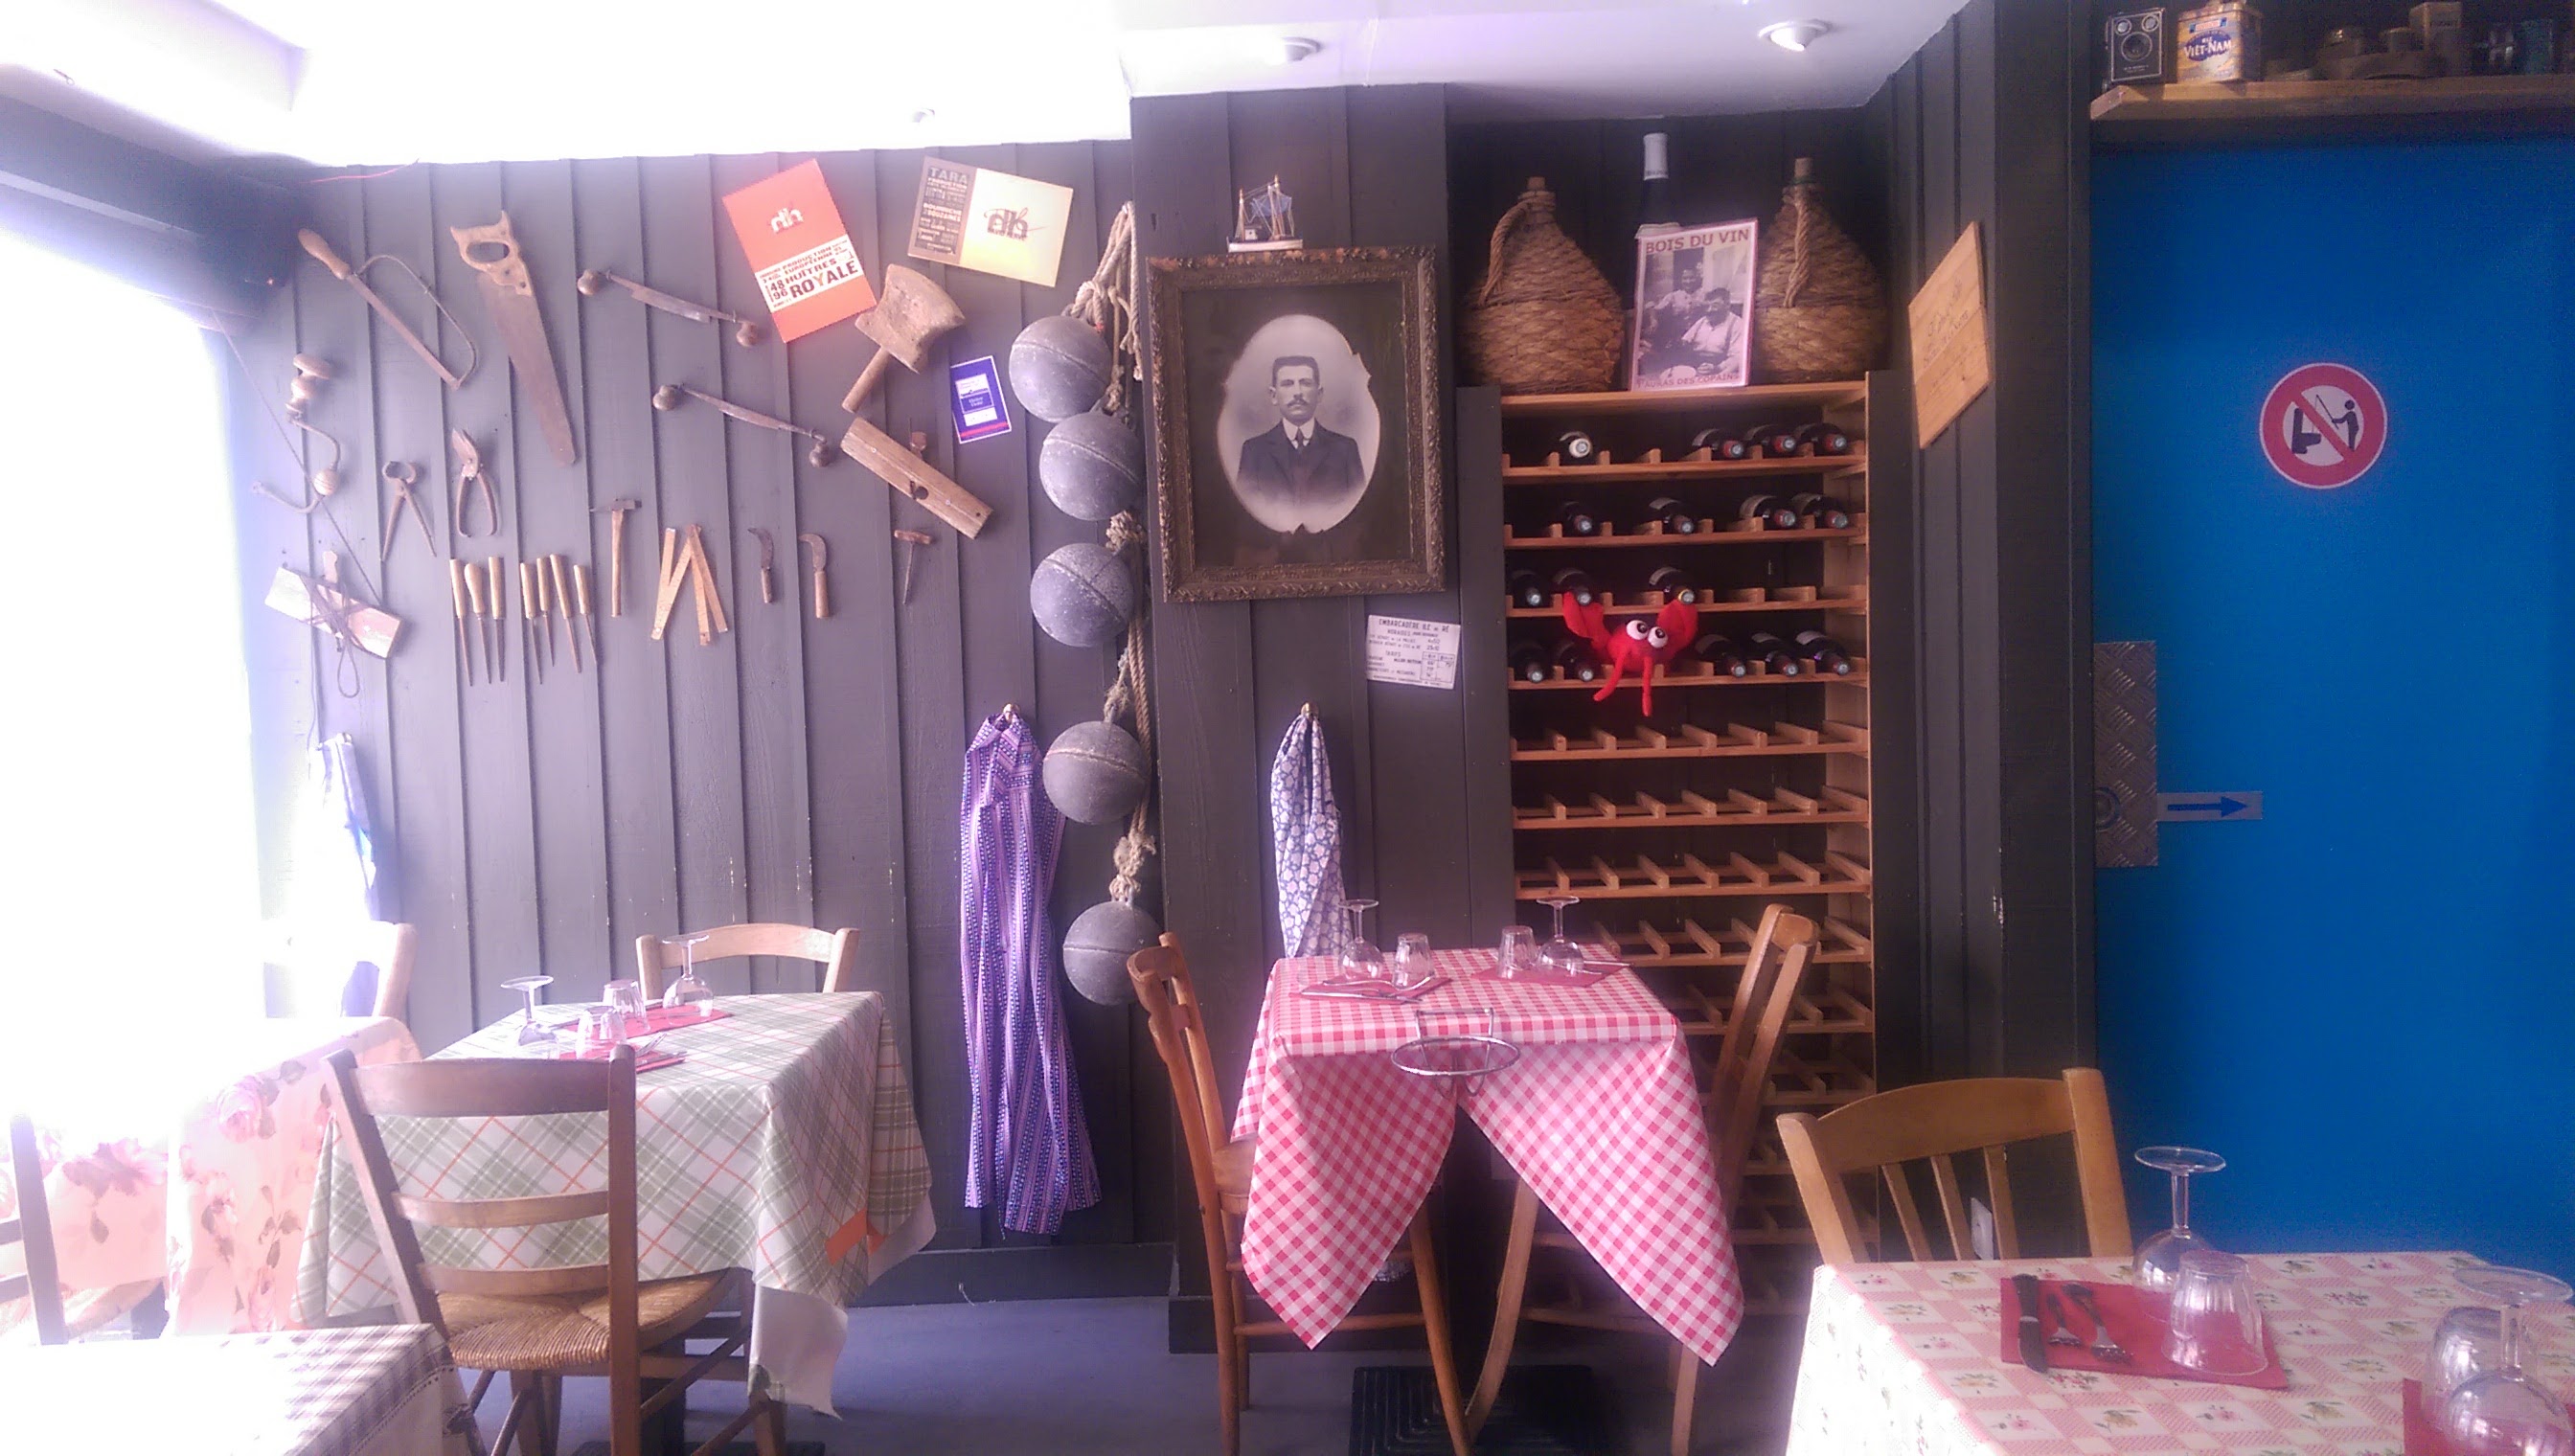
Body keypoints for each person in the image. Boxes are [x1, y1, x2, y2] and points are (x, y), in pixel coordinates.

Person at [1234, 354, 1367, 512]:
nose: (1297, 392)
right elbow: (1244, 511)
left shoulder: (1345, 449)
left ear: (1319, 394)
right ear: (1274, 396)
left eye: (1305, 383)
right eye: (1287, 384)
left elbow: (1360, 509)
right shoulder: (1254, 451)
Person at [1678, 284, 1744, 375]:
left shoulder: (1737, 324)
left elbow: (1737, 358)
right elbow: (1685, 342)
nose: (1709, 310)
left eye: (1715, 306)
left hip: (1720, 368)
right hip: (1695, 366)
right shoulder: (1702, 321)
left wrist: (1717, 368)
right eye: (1707, 306)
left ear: (1727, 305)